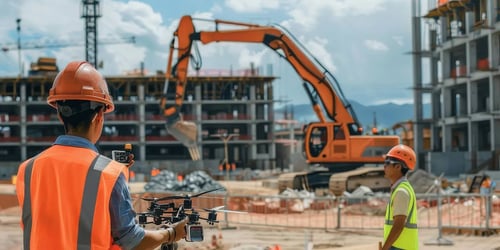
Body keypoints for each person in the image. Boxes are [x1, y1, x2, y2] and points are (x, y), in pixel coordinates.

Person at [15, 61, 188, 249]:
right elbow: (132, 240)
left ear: (60, 114)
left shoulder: (28, 169)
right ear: (99, 116)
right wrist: (170, 233)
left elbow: (60, 211)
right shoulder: (109, 173)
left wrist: (106, 177)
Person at [380, 144, 418, 250]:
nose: (384, 166)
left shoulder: (401, 191)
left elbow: (399, 225)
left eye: (387, 163)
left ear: (398, 167)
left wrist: (384, 248)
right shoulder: (400, 189)